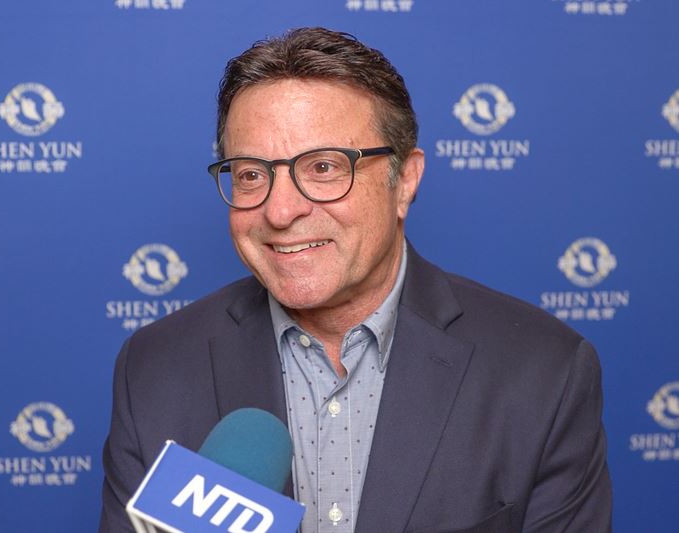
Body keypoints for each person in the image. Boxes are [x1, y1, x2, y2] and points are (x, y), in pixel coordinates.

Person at [100, 27, 612, 533]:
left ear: (405, 180)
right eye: (252, 174)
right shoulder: (154, 369)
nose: (280, 211)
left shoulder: (544, 372)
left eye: (323, 167)